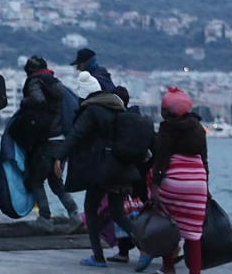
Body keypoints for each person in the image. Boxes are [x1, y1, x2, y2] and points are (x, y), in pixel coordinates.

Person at [54, 71, 140, 268]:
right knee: (118, 213)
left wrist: (59, 156)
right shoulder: (116, 108)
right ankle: (147, 247)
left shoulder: (92, 111)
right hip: (120, 168)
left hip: (100, 170)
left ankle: (98, 256)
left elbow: (76, 135)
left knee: (90, 209)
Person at [18, 55, 81, 233]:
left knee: (36, 180)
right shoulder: (56, 83)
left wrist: (24, 103)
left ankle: (44, 218)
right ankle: (74, 214)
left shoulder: (35, 82)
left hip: (46, 141)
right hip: (63, 141)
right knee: (56, 181)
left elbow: (37, 100)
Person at [152, 87, 208, 274]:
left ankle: (168, 267)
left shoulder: (167, 129)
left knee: (168, 228)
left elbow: (161, 159)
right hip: (198, 182)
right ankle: (195, 271)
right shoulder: (199, 129)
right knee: (194, 234)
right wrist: (206, 186)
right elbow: (204, 160)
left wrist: (155, 186)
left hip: (174, 182)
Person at [107, 86, 154, 270]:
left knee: (122, 211)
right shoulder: (141, 120)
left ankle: (128, 251)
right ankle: (149, 246)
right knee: (141, 211)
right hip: (142, 173)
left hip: (125, 173)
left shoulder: (119, 121)